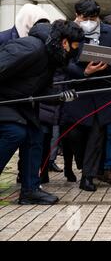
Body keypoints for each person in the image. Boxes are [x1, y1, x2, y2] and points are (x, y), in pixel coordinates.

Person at [0, 19, 84, 204]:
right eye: (74, 47)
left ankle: (30, 190)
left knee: (35, 135)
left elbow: (41, 89)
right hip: (4, 99)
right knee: (14, 132)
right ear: (64, 42)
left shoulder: (51, 56)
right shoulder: (31, 48)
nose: (74, 53)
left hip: (18, 101)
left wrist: (60, 96)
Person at [61, 0, 111, 191]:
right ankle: (83, 164)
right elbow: (63, 60)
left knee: (97, 135)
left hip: (102, 91)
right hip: (78, 91)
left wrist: (108, 57)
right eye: (86, 17)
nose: (90, 21)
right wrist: (84, 72)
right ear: (77, 16)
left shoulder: (108, 31)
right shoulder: (70, 31)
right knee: (75, 134)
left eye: (94, 17)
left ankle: (88, 177)